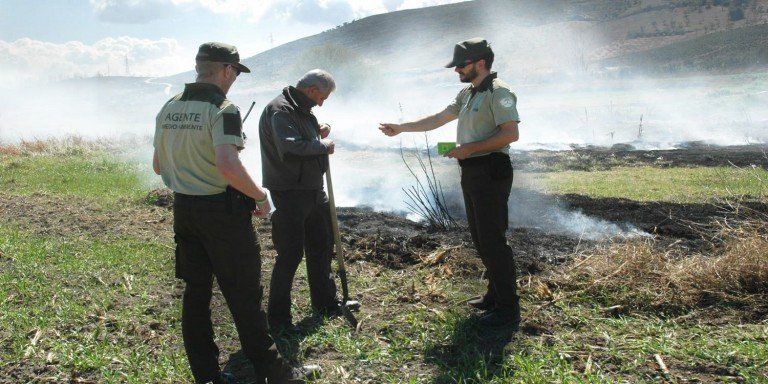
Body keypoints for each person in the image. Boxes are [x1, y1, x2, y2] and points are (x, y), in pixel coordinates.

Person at [153, 42, 319, 384]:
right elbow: (228, 165)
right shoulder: (223, 109)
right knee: (245, 296)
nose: (235, 79)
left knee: (196, 294)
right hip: (222, 213)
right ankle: (275, 374)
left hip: (184, 210)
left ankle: (207, 375)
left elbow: (158, 165)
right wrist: (259, 196)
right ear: (227, 70)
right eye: (236, 73)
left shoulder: (170, 106)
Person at [379, 38, 522, 329]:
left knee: (493, 240)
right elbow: (438, 118)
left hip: (491, 170)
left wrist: (469, 148)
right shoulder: (468, 93)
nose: (457, 70)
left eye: (462, 65)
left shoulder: (499, 92)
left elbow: (510, 134)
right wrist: (402, 128)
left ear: (481, 63)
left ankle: (508, 309)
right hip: (472, 170)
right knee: (481, 238)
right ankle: (494, 296)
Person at [259, 69, 348, 331]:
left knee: (321, 246)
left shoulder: (300, 109)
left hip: (312, 189)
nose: (321, 104)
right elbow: (289, 147)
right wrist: (323, 146)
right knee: (290, 255)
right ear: (312, 90)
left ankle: (325, 304)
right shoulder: (281, 109)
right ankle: (279, 320)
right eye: (322, 98)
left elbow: (299, 137)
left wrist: (316, 131)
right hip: (290, 192)